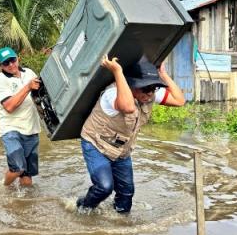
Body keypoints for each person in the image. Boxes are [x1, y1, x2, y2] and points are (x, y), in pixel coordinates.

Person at [77, 56, 185, 213]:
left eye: (153, 88)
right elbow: (127, 107)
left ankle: (121, 224)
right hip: (96, 144)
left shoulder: (149, 93)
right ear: (132, 84)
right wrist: (118, 71)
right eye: (145, 88)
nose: (150, 94)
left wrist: (163, 75)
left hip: (121, 150)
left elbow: (179, 100)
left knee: (127, 192)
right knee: (104, 187)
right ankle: (83, 208)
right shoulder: (112, 94)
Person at [0, 47, 41, 186]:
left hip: (31, 128)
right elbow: (9, 106)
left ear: (17, 58)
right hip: (11, 129)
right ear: (1, 66)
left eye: (12, 60)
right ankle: (4, 188)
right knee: (17, 169)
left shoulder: (29, 73)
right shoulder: (0, 81)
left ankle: (25, 204)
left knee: (27, 177)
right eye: (6, 63)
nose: (11, 65)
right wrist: (27, 87)